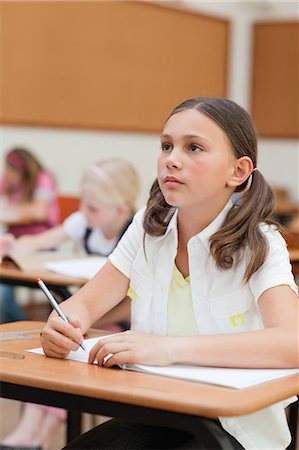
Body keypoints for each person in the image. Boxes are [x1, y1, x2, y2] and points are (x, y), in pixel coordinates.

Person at [40, 97, 298, 450]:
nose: (171, 159)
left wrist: (168, 349)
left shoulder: (261, 243)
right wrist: (62, 324)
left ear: (237, 171)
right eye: (166, 146)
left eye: (194, 147)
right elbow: (84, 306)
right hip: (156, 413)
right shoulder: (149, 227)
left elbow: (292, 342)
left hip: (234, 429)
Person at [0, 158, 140, 450]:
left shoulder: (135, 233)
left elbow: (132, 301)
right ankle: (29, 432)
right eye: (82, 204)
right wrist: (12, 245)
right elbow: (41, 242)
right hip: (84, 318)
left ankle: (37, 437)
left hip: (118, 324)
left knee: (71, 359)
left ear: (120, 210)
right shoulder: (85, 221)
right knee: (51, 352)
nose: (83, 214)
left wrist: (92, 320)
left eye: (92, 208)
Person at [0, 147, 59, 323]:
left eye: (12, 170)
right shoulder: (8, 180)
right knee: (3, 296)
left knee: (2, 297)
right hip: (12, 246)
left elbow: (39, 212)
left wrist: (9, 212)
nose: (7, 174)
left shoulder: (42, 179)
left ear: (24, 172)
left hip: (40, 245)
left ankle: (24, 326)